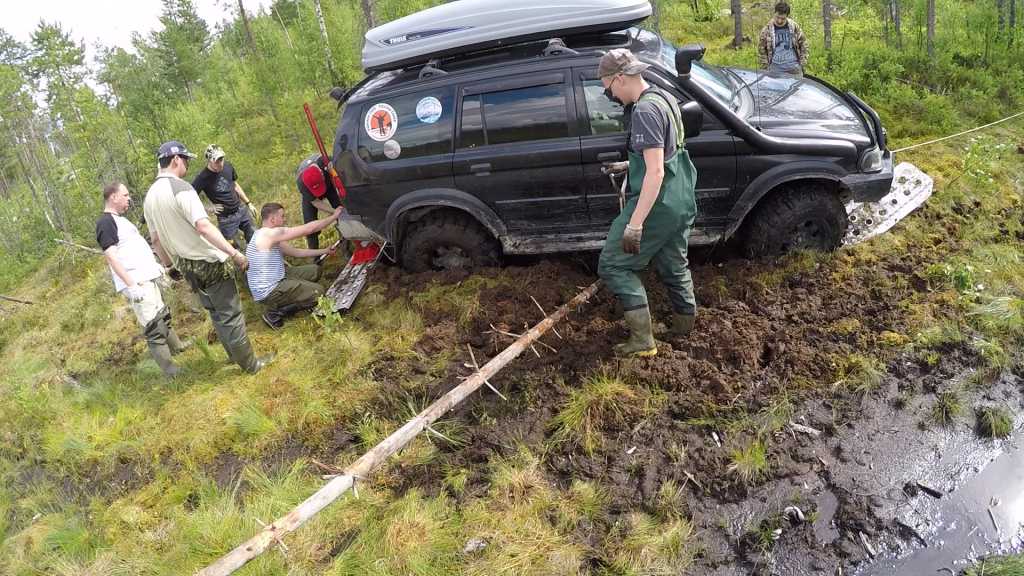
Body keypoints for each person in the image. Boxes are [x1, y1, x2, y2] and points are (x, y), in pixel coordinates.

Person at [597, 49, 698, 357]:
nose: (611, 95)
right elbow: (665, 153)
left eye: (608, 88)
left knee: (613, 264)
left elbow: (655, 173)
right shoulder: (663, 97)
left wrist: (635, 224)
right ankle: (684, 327)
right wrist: (632, 165)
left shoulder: (644, 111)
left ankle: (642, 342)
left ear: (619, 79)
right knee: (673, 263)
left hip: (658, 202)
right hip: (681, 195)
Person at [143, 140, 273, 373]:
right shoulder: (182, 189)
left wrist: (170, 266)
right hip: (208, 261)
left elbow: (155, 239)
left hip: (186, 266)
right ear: (175, 160)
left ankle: (234, 356)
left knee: (216, 313)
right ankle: (251, 365)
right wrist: (234, 253)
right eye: (185, 160)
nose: (187, 164)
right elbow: (203, 227)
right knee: (231, 314)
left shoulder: (150, 197)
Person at [96, 182, 188, 378]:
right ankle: (171, 371)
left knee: (162, 315)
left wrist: (155, 266)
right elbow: (111, 257)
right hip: (136, 282)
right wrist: (131, 285)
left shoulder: (120, 220)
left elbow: (133, 250)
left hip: (147, 276)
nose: (129, 198)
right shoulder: (105, 222)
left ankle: (178, 347)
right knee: (154, 326)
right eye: (125, 195)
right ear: (113, 197)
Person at [246, 202, 343, 329]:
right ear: (273, 219)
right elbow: (309, 229)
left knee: (315, 270)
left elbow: (296, 252)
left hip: (278, 277)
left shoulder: (267, 236)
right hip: (269, 291)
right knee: (318, 292)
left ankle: (300, 294)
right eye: (282, 216)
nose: (285, 219)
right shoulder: (268, 234)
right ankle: (275, 313)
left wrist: (324, 251)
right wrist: (334, 216)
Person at [191, 144, 258, 247]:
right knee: (233, 248)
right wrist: (208, 207)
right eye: (216, 161)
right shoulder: (202, 178)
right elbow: (190, 197)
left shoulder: (228, 166)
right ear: (209, 161)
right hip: (226, 219)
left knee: (255, 239)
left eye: (221, 159)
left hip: (240, 210)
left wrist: (248, 203)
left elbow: (235, 185)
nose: (220, 163)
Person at [296, 153, 344, 249]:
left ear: (322, 173)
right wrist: (334, 212)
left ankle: (346, 241)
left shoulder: (326, 161)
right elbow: (315, 202)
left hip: (330, 187)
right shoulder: (301, 183)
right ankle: (315, 254)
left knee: (342, 212)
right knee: (310, 224)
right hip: (311, 195)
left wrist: (339, 210)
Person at [758, 1, 808, 76]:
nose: (779, 21)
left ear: (787, 16)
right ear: (774, 13)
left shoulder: (794, 26)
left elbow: (804, 44)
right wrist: (765, 68)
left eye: (783, 18)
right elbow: (761, 51)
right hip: (775, 69)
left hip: (794, 68)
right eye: (777, 17)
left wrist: (802, 63)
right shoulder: (766, 30)